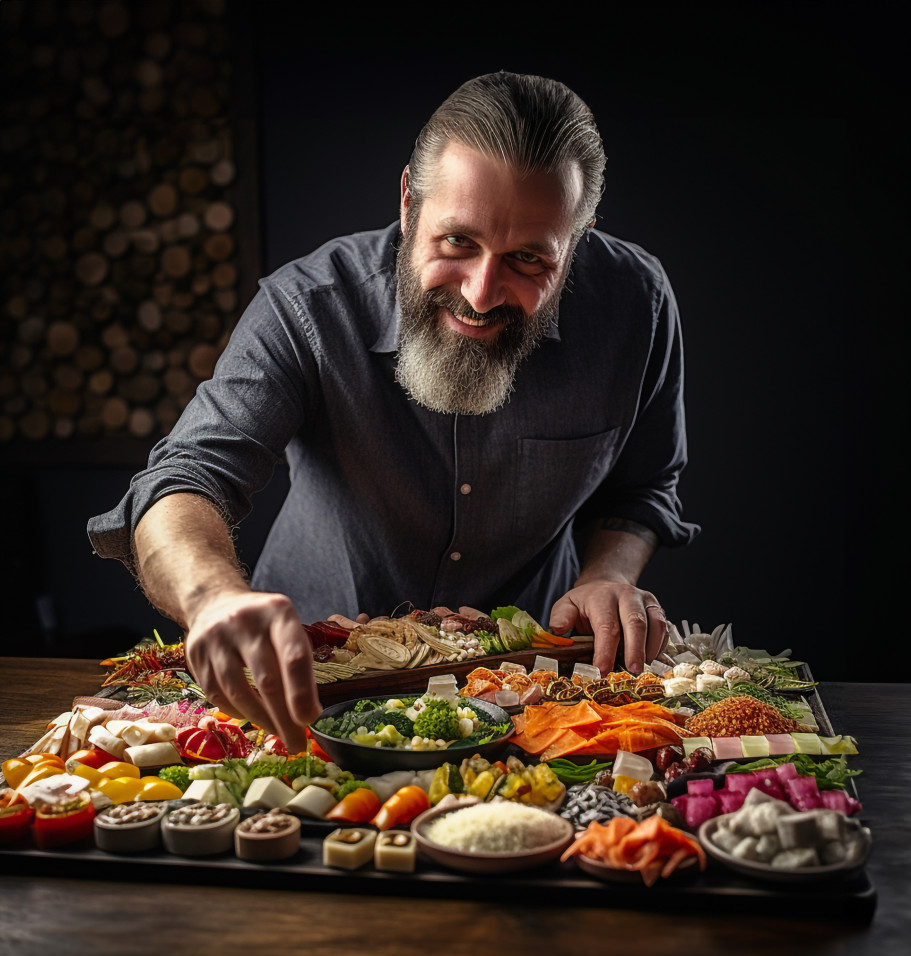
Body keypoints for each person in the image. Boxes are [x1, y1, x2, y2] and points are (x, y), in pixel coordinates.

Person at [88, 72, 699, 749]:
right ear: (410, 203)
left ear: (577, 239)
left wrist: (607, 574)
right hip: (304, 687)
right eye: (457, 242)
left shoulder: (635, 305)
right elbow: (184, 477)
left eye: (528, 259)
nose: (482, 291)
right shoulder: (309, 306)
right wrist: (210, 599)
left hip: (529, 695)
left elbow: (642, 487)